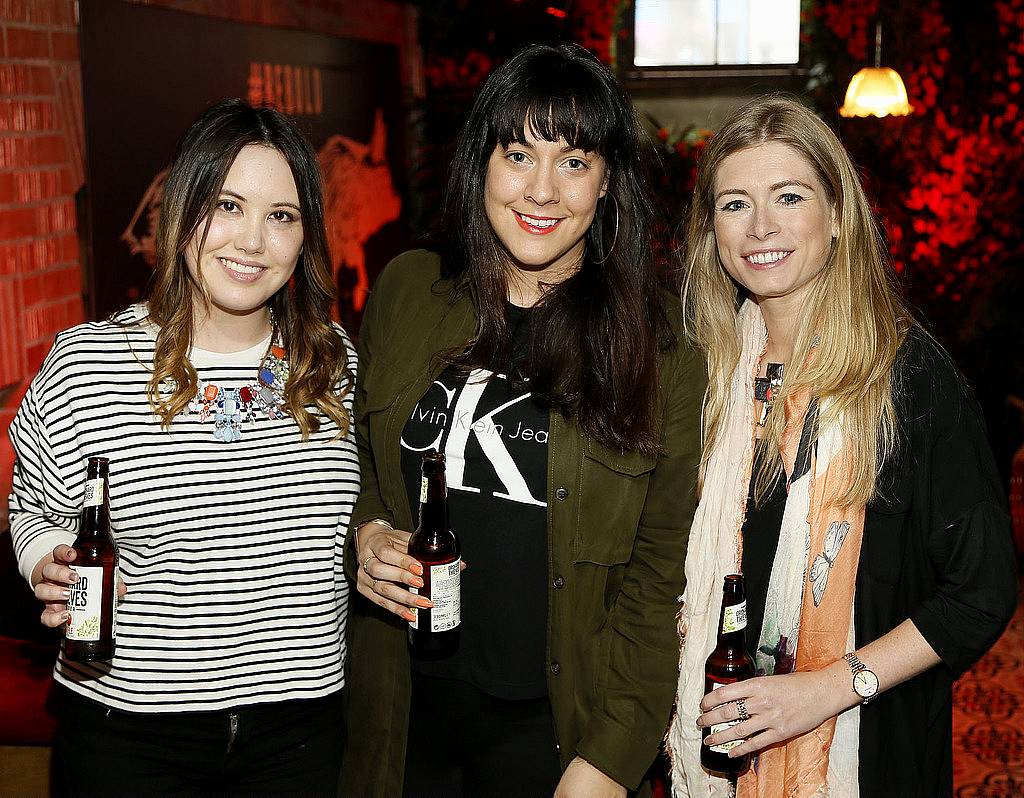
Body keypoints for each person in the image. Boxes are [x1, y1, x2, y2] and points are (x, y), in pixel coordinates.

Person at [341, 42, 704, 798]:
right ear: (482, 165)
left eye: (574, 162)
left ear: (607, 184)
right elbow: (362, 465)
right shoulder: (409, 290)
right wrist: (369, 531)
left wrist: (610, 758)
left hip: (557, 734)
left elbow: (656, 578)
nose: (542, 190)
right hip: (399, 716)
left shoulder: (661, 346)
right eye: (518, 154)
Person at [667, 95, 1018, 797]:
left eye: (788, 197)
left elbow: (981, 592)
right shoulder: (703, 375)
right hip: (721, 745)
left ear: (837, 217)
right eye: (735, 204)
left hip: (865, 754)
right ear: (712, 232)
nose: (761, 227)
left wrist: (829, 688)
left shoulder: (910, 380)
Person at [8, 99, 358, 795]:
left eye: (281, 215)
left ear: (306, 234)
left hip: (300, 734)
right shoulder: (89, 364)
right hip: (129, 733)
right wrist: (45, 559)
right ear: (182, 209)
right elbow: (32, 508)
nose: (252, 241)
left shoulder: (332, 364)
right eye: (227, 205)